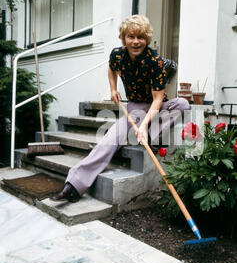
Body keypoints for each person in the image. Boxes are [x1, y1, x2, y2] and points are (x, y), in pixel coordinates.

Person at [50, 14, 190, 203]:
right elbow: (111, 69)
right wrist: (113, 89)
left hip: (157, 106)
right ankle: (74, 185)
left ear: (147, 39)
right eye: (130, 36)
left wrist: (143, 125)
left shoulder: (156, 62)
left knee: (182, 104)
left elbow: (157, 100)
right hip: (134, 108)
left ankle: (151, 136)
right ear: (124, 37)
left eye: (140, 37)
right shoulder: (117, 55)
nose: (135, 42)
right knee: (110, 139)